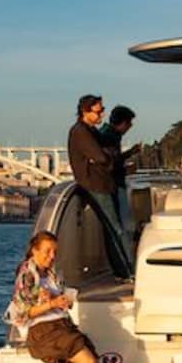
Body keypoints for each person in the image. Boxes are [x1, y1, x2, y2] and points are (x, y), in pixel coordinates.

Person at [4, 231, 99, 363]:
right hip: (43, 332)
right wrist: (52, 304)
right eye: (47, 252)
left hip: (61, 325)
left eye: (54, 252)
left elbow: (56, 300)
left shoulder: (50, 274)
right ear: (34, 250)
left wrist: (64, 301)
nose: (52, 256)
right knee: (88, 362)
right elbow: (24, 313)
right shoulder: (27, 275)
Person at [67, 94, 125, 252]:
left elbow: (104, 155)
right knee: (115, 229)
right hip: (95, 185)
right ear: (85, 112)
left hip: (103, 184)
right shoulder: (80, 132)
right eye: (98, 112)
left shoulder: (91, 131)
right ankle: (127, 270)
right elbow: (101, 156)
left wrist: (104, 155)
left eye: (103, 110)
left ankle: (124, 268)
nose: (102, 114)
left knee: (114, 228)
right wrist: (104, 156)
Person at [98, 105, 140, 254]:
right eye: (129, 123)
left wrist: (130, 153)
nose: (130, 126)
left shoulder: (108, 134)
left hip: (113, 184)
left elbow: (113, 159)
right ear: (122, 123)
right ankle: (125, 260)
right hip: (113, 186)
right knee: (122, 226)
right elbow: (108, 164)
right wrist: (126, 170)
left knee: (123, 224)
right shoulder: (109, 137)